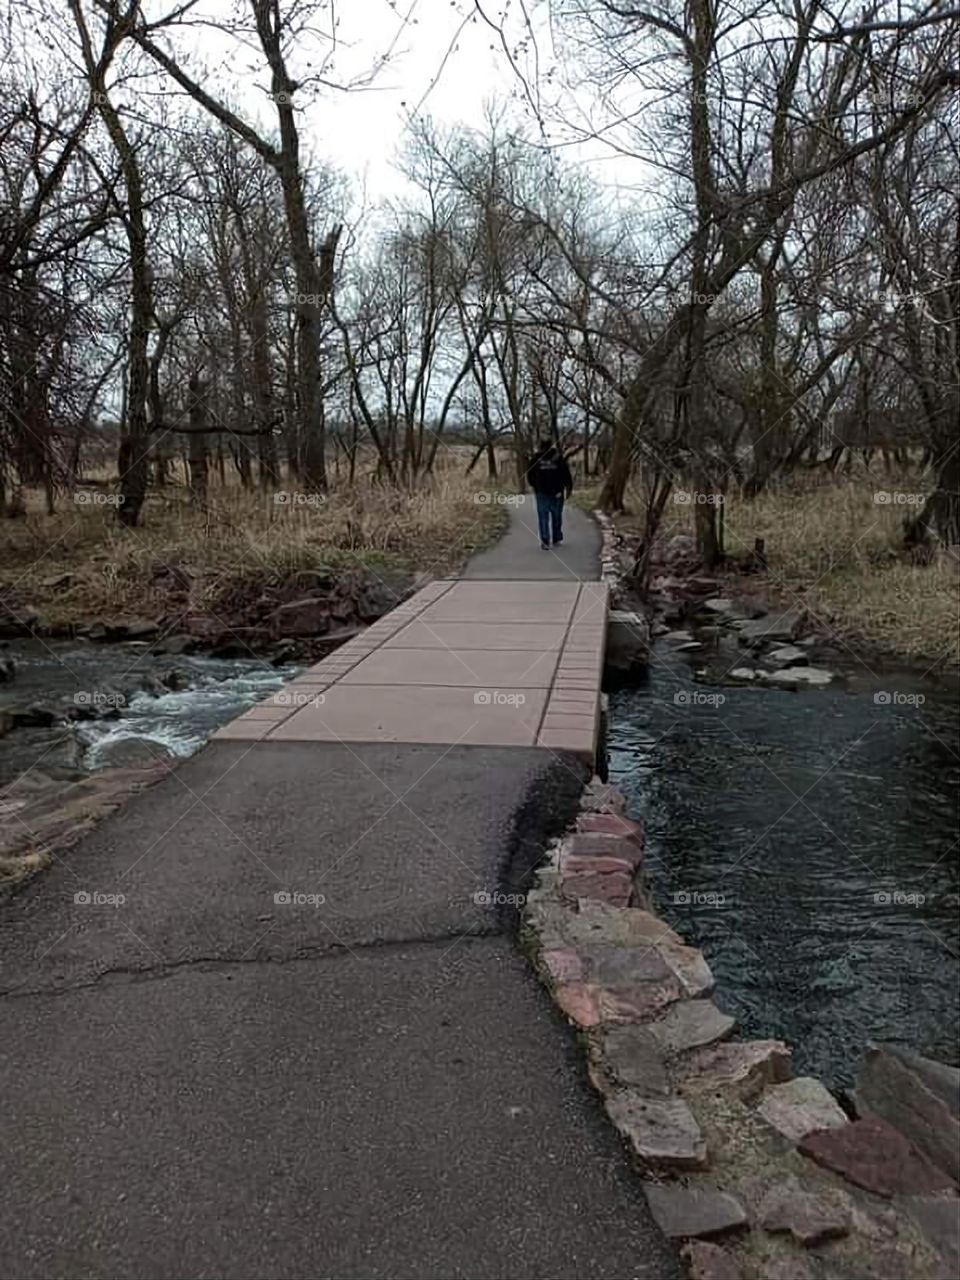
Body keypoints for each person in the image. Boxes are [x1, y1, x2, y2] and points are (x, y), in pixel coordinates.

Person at [526, 437, 573, 550]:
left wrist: (535, 486)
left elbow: (529, 475)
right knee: (557, 515)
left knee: (543, 516)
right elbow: (566, 475)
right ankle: (556, 537)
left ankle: (545, 540)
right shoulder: (559, 459)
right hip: (557, 492)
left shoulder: (535, 459)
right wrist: (568, 488)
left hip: (541, 492)